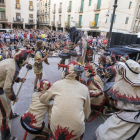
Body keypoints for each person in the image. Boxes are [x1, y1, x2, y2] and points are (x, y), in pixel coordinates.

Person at [40, 60, 91, 140]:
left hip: (56, 130)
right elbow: (87, 113)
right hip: (75, 133)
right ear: (79, 74)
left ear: (65, 72)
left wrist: (52, 102)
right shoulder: (85, 89)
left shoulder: (57, 84)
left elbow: (42, 100)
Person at [95, 59, 140, 140]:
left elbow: (116, 104)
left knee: (104, 134)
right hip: (138, 118)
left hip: (125, 116)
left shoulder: (119, 85)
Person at [0, 49, 33, 140]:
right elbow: (7, 87)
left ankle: (10, 114)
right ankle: (6, 136)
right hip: (1, 88)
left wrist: (19, 79)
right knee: (3, 114)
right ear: (22, 60)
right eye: (25, 62)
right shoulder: (13, 67)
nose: (26, 64)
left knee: (7, 100)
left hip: (1, 85)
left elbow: (8, 76)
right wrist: (14, 97)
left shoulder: (12, 62)